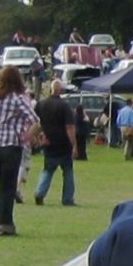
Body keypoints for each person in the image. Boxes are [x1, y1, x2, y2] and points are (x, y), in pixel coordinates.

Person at [0, 66, 39, 236]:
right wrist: (28, 137)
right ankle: (5, 222)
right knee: (8, 185)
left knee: (4, 184)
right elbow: (35, 120)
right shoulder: (18, 98)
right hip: (10, 146)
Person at [33, 79, 77, 207]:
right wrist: (74, 145)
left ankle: (40, 193)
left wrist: (39, 138)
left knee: (48, 169)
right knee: (68, 171)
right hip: (63, 144)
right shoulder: (64, 106)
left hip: (48, 143)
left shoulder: (41, 104)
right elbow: (69, 127)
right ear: (61, 90)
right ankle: (67, 199)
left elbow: (34, 123)